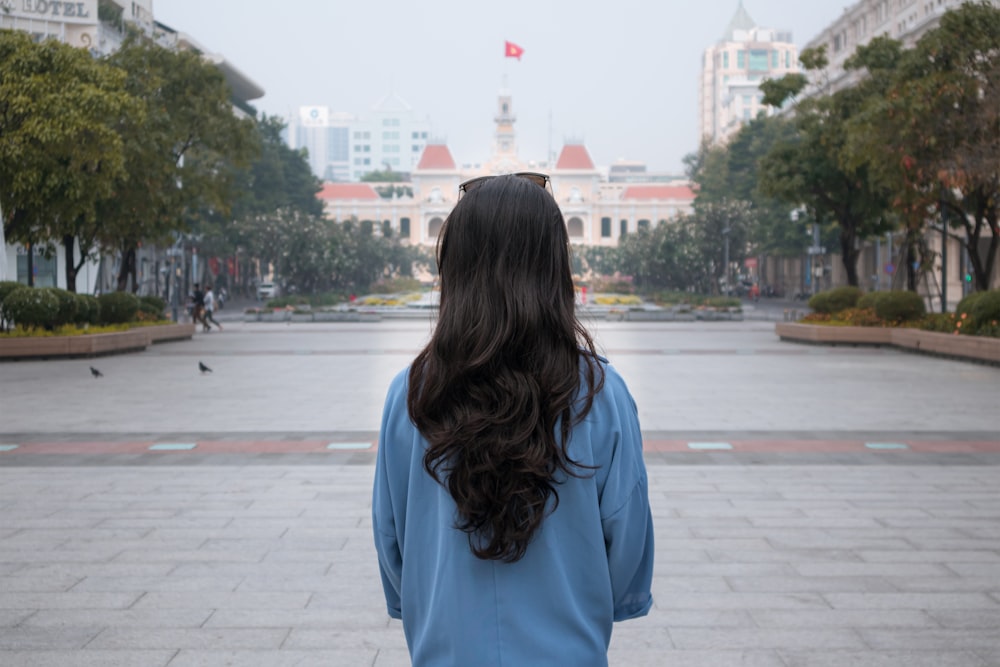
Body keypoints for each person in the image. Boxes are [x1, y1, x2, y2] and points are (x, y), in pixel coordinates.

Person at [372, 173, 654, 666]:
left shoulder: (412, 394)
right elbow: (626, 544)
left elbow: (392, 539)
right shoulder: (600, 395)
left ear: (455, 267)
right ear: (553, 267)